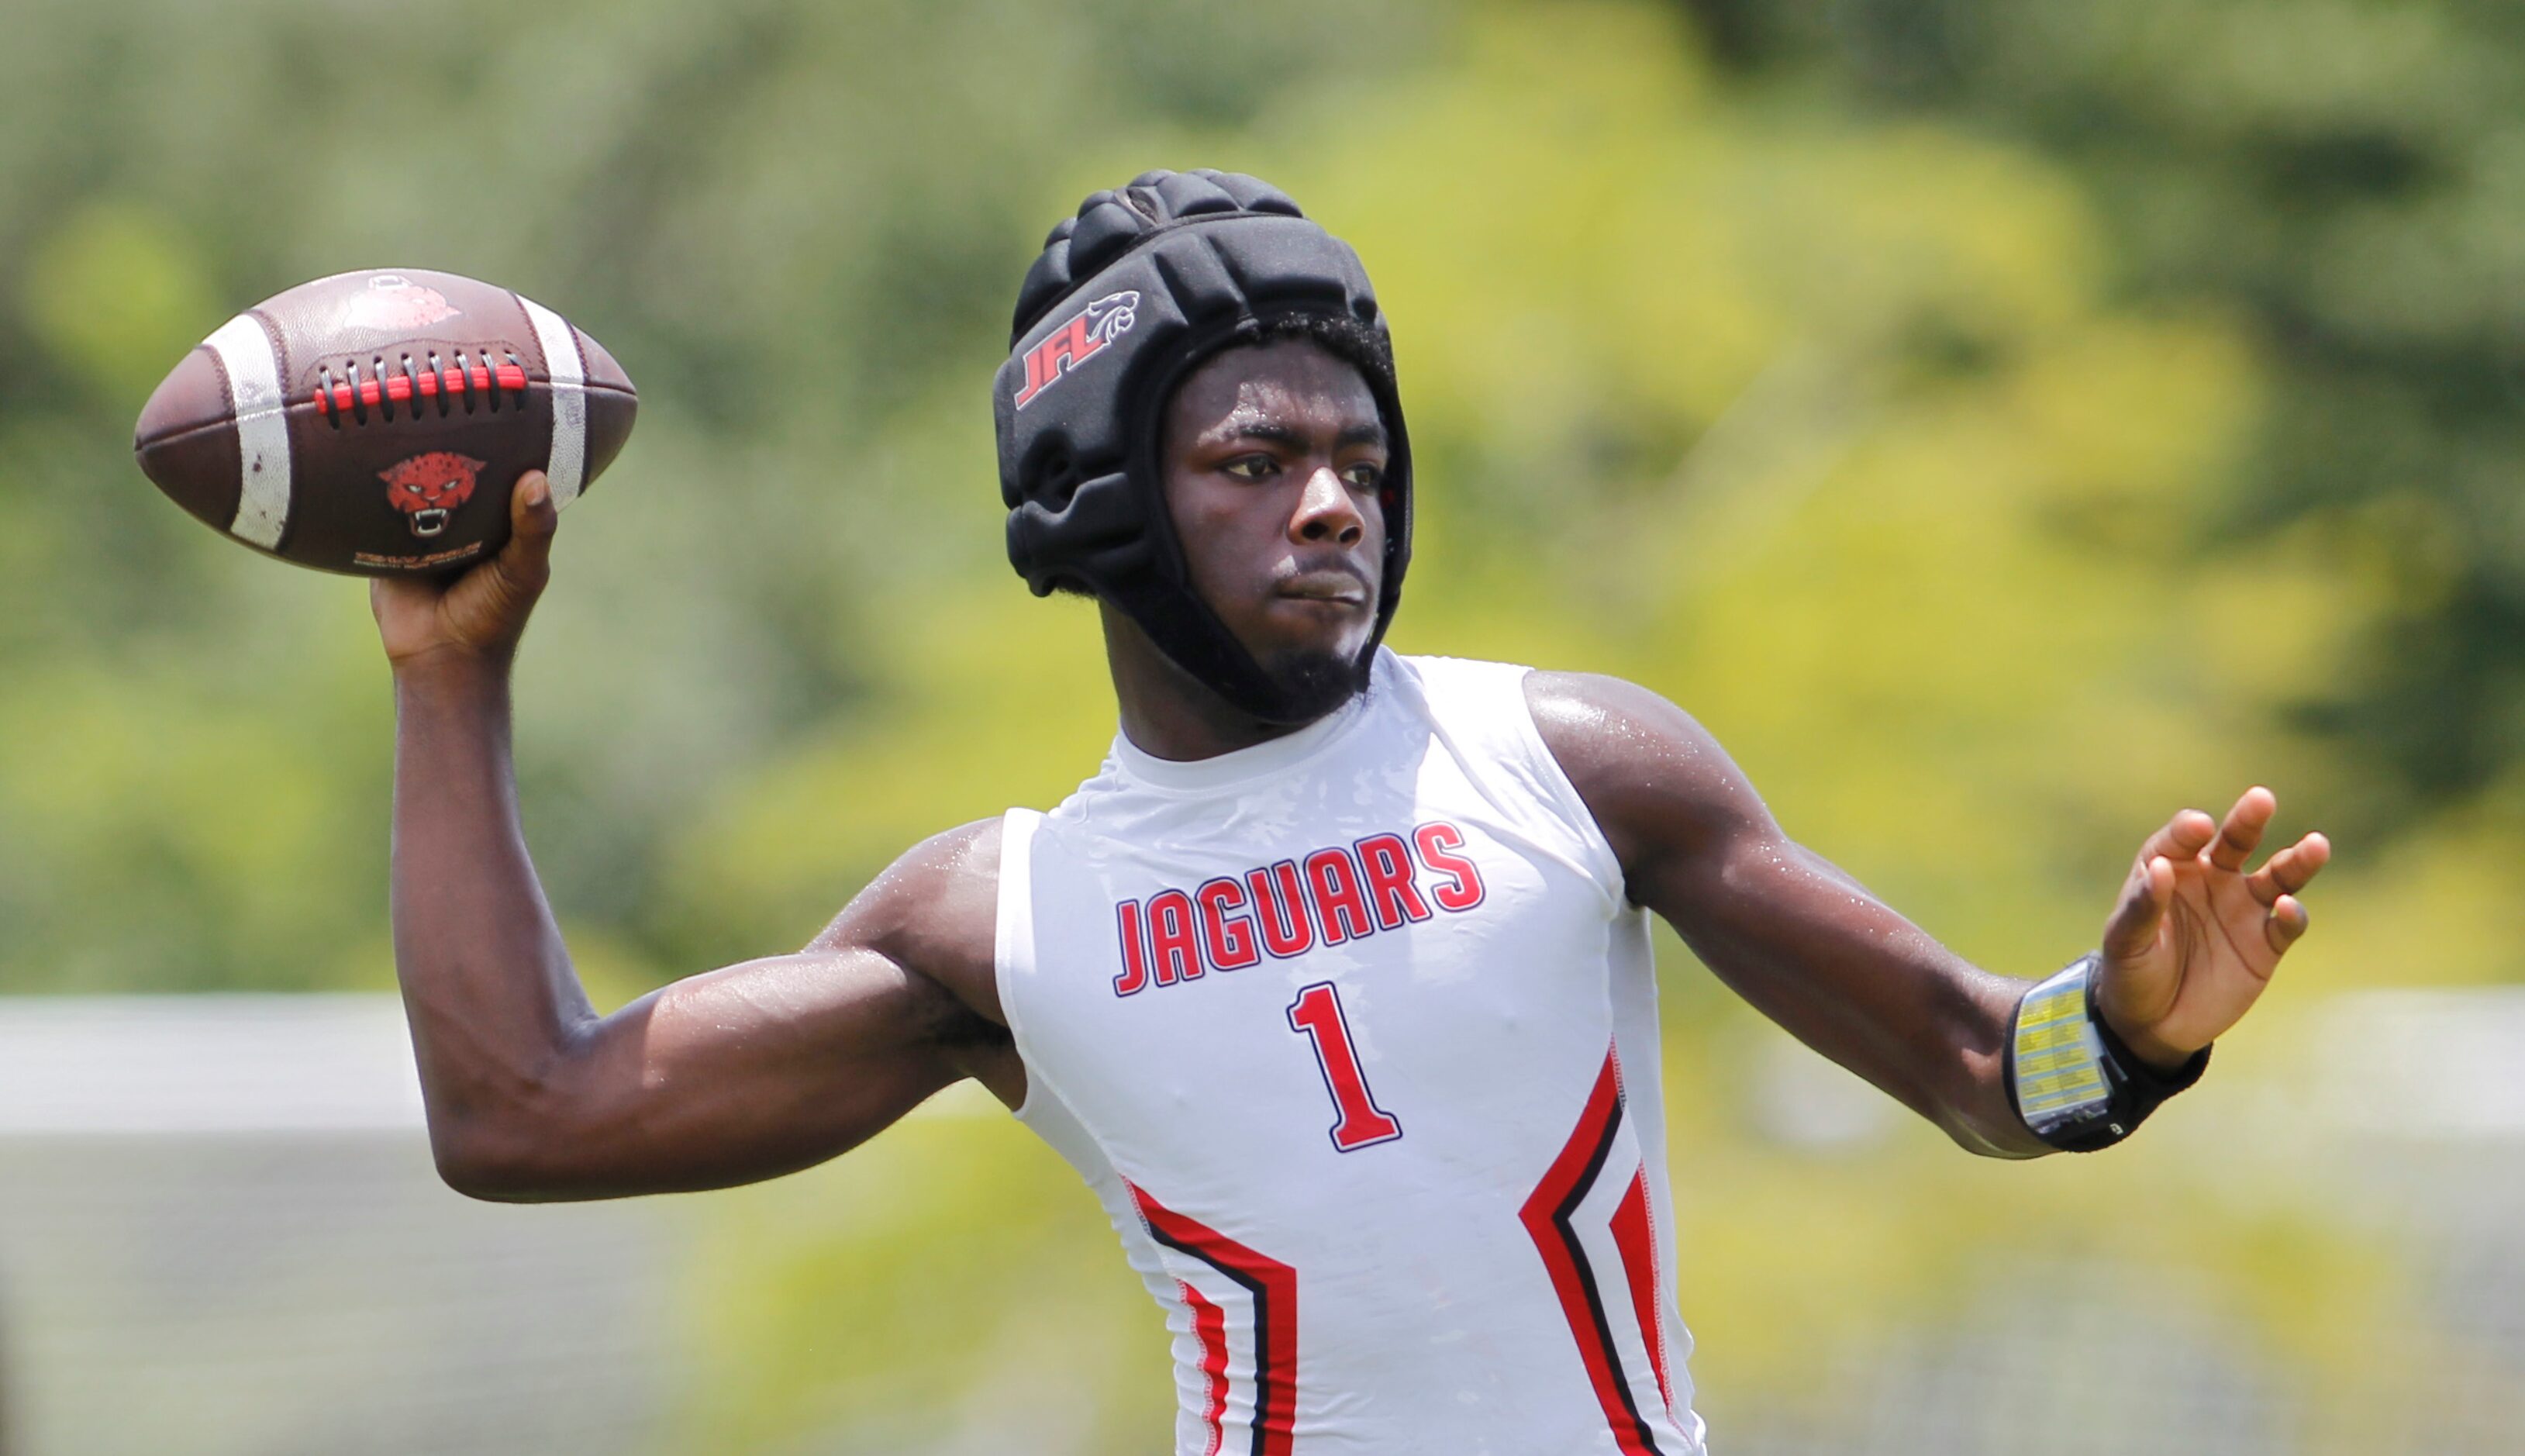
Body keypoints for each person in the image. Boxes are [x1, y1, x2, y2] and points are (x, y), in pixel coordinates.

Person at [373, 171, 2330, 1454]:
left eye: (1362, 458)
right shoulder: (1001, 920)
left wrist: (2138, 1019)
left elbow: (1994, 1069)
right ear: (1109, 501)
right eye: (1257, 455)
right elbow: (520, 1115)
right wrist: (452, 678)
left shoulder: (1577, 763)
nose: (1334, 503)